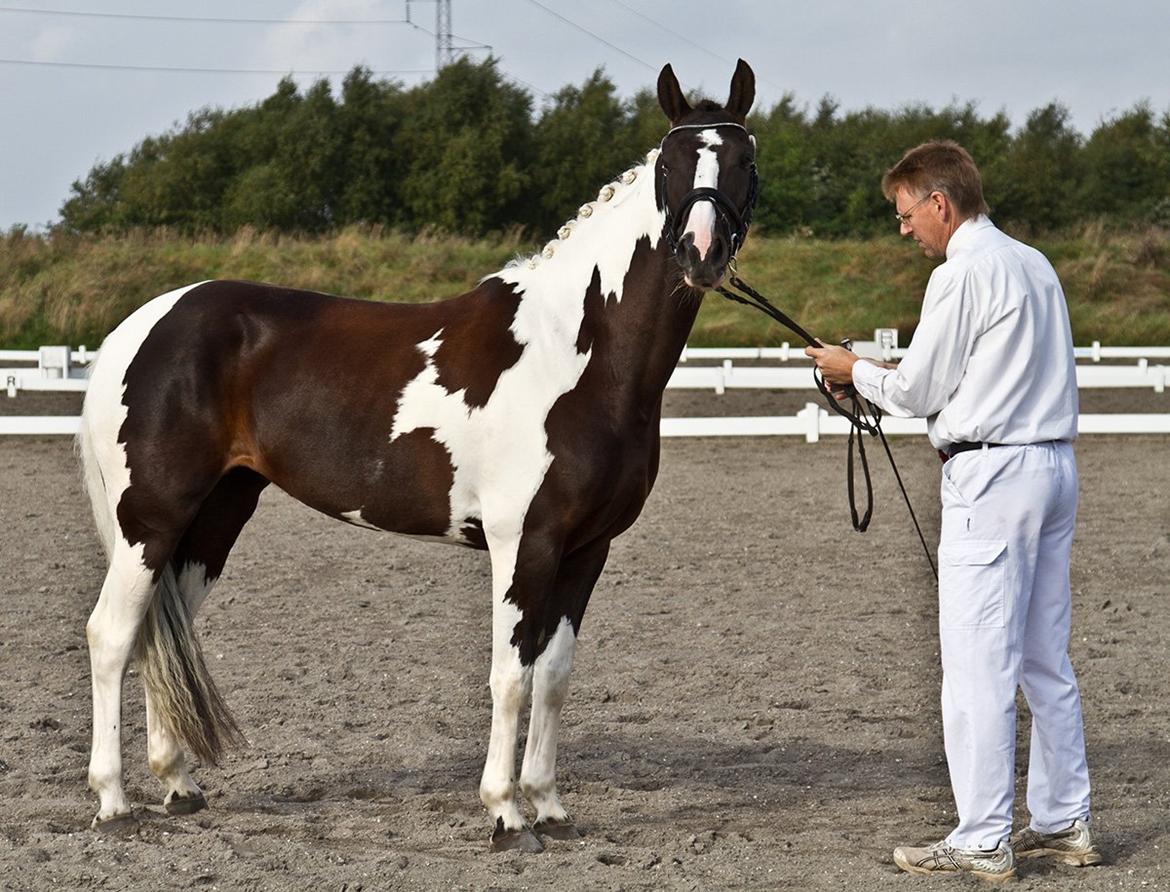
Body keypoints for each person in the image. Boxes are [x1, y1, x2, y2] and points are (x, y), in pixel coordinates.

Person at [806, 141, 1100, 883]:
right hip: (1052, 467)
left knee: (976, 665)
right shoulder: (1034, 264)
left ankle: (983, 836)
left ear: (940, 202)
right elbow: (964, 371)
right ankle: (1064, 820)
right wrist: (873, 376)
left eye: (907, 215)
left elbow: (915, 393)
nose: (905, 229)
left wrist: (852, 370)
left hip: (991, 476)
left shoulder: (960, 272)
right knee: (1043, 658)